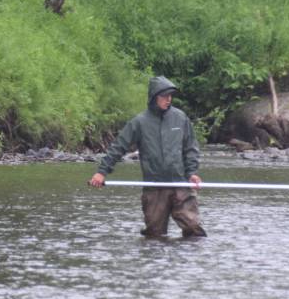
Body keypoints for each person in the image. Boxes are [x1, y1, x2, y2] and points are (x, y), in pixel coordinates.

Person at [89, 76, 207, 238]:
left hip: (181, 185)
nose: (169, 99)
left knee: (194, 231)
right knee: (154, 236)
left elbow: (191, 148)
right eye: (164, 96)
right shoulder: (139, 122)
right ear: (154, 97)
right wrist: (102, 172)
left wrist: (192, 173)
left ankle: (186, 262)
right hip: (154, 187)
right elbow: (118, 147)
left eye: (170, 96)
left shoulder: (180, 118)